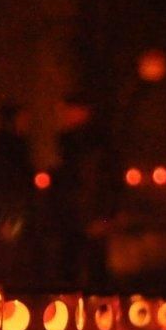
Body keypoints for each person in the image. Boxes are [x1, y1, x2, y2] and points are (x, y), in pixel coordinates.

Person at [43, 90, 116, 289]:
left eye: (65, 110)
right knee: (72, 268)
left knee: (92, 271)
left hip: (87, 214)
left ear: (80, 112)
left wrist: (101, 216)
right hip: (72, 215)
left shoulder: (91, 143)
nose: (61, 116)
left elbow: (101, 182)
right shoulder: (68, 142)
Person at [0, 99, 36, 239]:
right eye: (23, 118)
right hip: (10, 204)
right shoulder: (6, 145)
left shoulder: (16, 143)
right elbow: (5, 178)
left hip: (14, 202)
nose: (27, 122)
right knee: (9, 241)